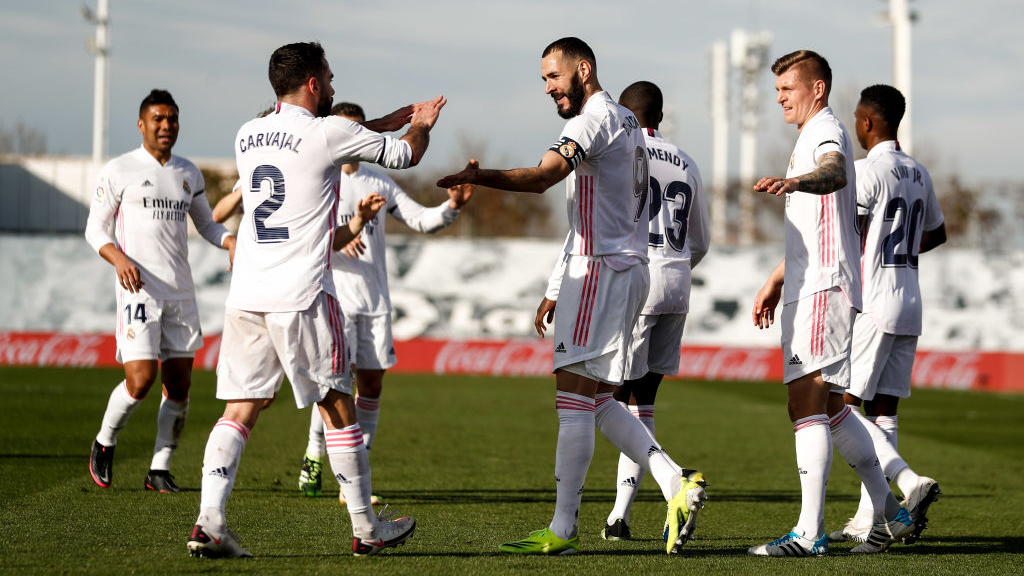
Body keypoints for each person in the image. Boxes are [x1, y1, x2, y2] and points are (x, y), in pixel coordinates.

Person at [438, 37, 706, 556]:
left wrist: (480, 176)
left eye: (553, 76)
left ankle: (563, 528)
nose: (548, 88)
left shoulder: (591, 120)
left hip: (600, 270)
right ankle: (675, 481)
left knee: (572, 400)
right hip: (630, 270)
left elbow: (545, 176)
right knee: (600, 399)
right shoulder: (627, 122)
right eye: (543, 80)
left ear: (583, 69)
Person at [185, 41, 446, 559]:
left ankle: (209, 521)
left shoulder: (248, 133)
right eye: (328, 78)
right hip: (302, 293)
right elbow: (406, 154)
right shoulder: (328, 132)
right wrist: (420, 124)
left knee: (240, 409)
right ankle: (367, 528)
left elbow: (321, 138)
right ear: (312, 83)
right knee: (339, 407)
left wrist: (382, 121)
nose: (332, 85)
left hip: (247, 294)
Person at [748, 50, 914, 557]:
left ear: (816, 88)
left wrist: (797, 181)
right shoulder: (812, 132)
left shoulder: (825, 130)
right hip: (816, 283)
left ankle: (809, 533)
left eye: (787, 89)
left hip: (823, 287)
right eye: (777, 90)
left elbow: (836, 171)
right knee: (832, 408)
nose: (780, 98)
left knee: (806, 403)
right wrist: (778, 280)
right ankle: (891, 512)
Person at [297, 101, 475, 502]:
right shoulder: (318, 179)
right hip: (335, 298)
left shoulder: (378, 182)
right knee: (334, 384)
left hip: (374, 302)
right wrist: (344, 233)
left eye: (357, 129)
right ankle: (314, 455)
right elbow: (305, 236)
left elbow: (420, 220)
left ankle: (357, 474)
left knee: (372, 385)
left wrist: (451, 207)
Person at [85, 89, 236, 494]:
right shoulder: (120, 170)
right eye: (158, 119)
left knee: (180, 384)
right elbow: (94, 229)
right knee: (141, 380)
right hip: (139, 291)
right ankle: (105, 440)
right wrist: (119, 259)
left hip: (180, 293)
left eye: (172, 118)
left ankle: (159, 468)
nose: (166, 125)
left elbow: (206, 224)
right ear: (142, 124)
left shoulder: (189, 173)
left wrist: (229, 241)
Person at [829, 84, 945, 545]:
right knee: (884, 412)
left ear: (867, 122)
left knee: (842, 408)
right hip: (909, 301)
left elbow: (848, 230)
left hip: (874, 302)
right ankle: (872, 520)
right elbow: (937, 233)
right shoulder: (918, 171)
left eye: (857, 118)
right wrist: (900, 251)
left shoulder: (866, 171)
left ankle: (907, 481)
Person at [599, 81, 710, 541]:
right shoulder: (686, 161)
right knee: (641, 403)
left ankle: (674, 482)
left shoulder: (623, 153)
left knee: (607, 402)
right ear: (660, 116)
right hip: (677, 283)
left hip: (637, 282)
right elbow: (700, 240)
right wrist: (675, 268)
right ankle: (618, 519)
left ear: (625, 115)